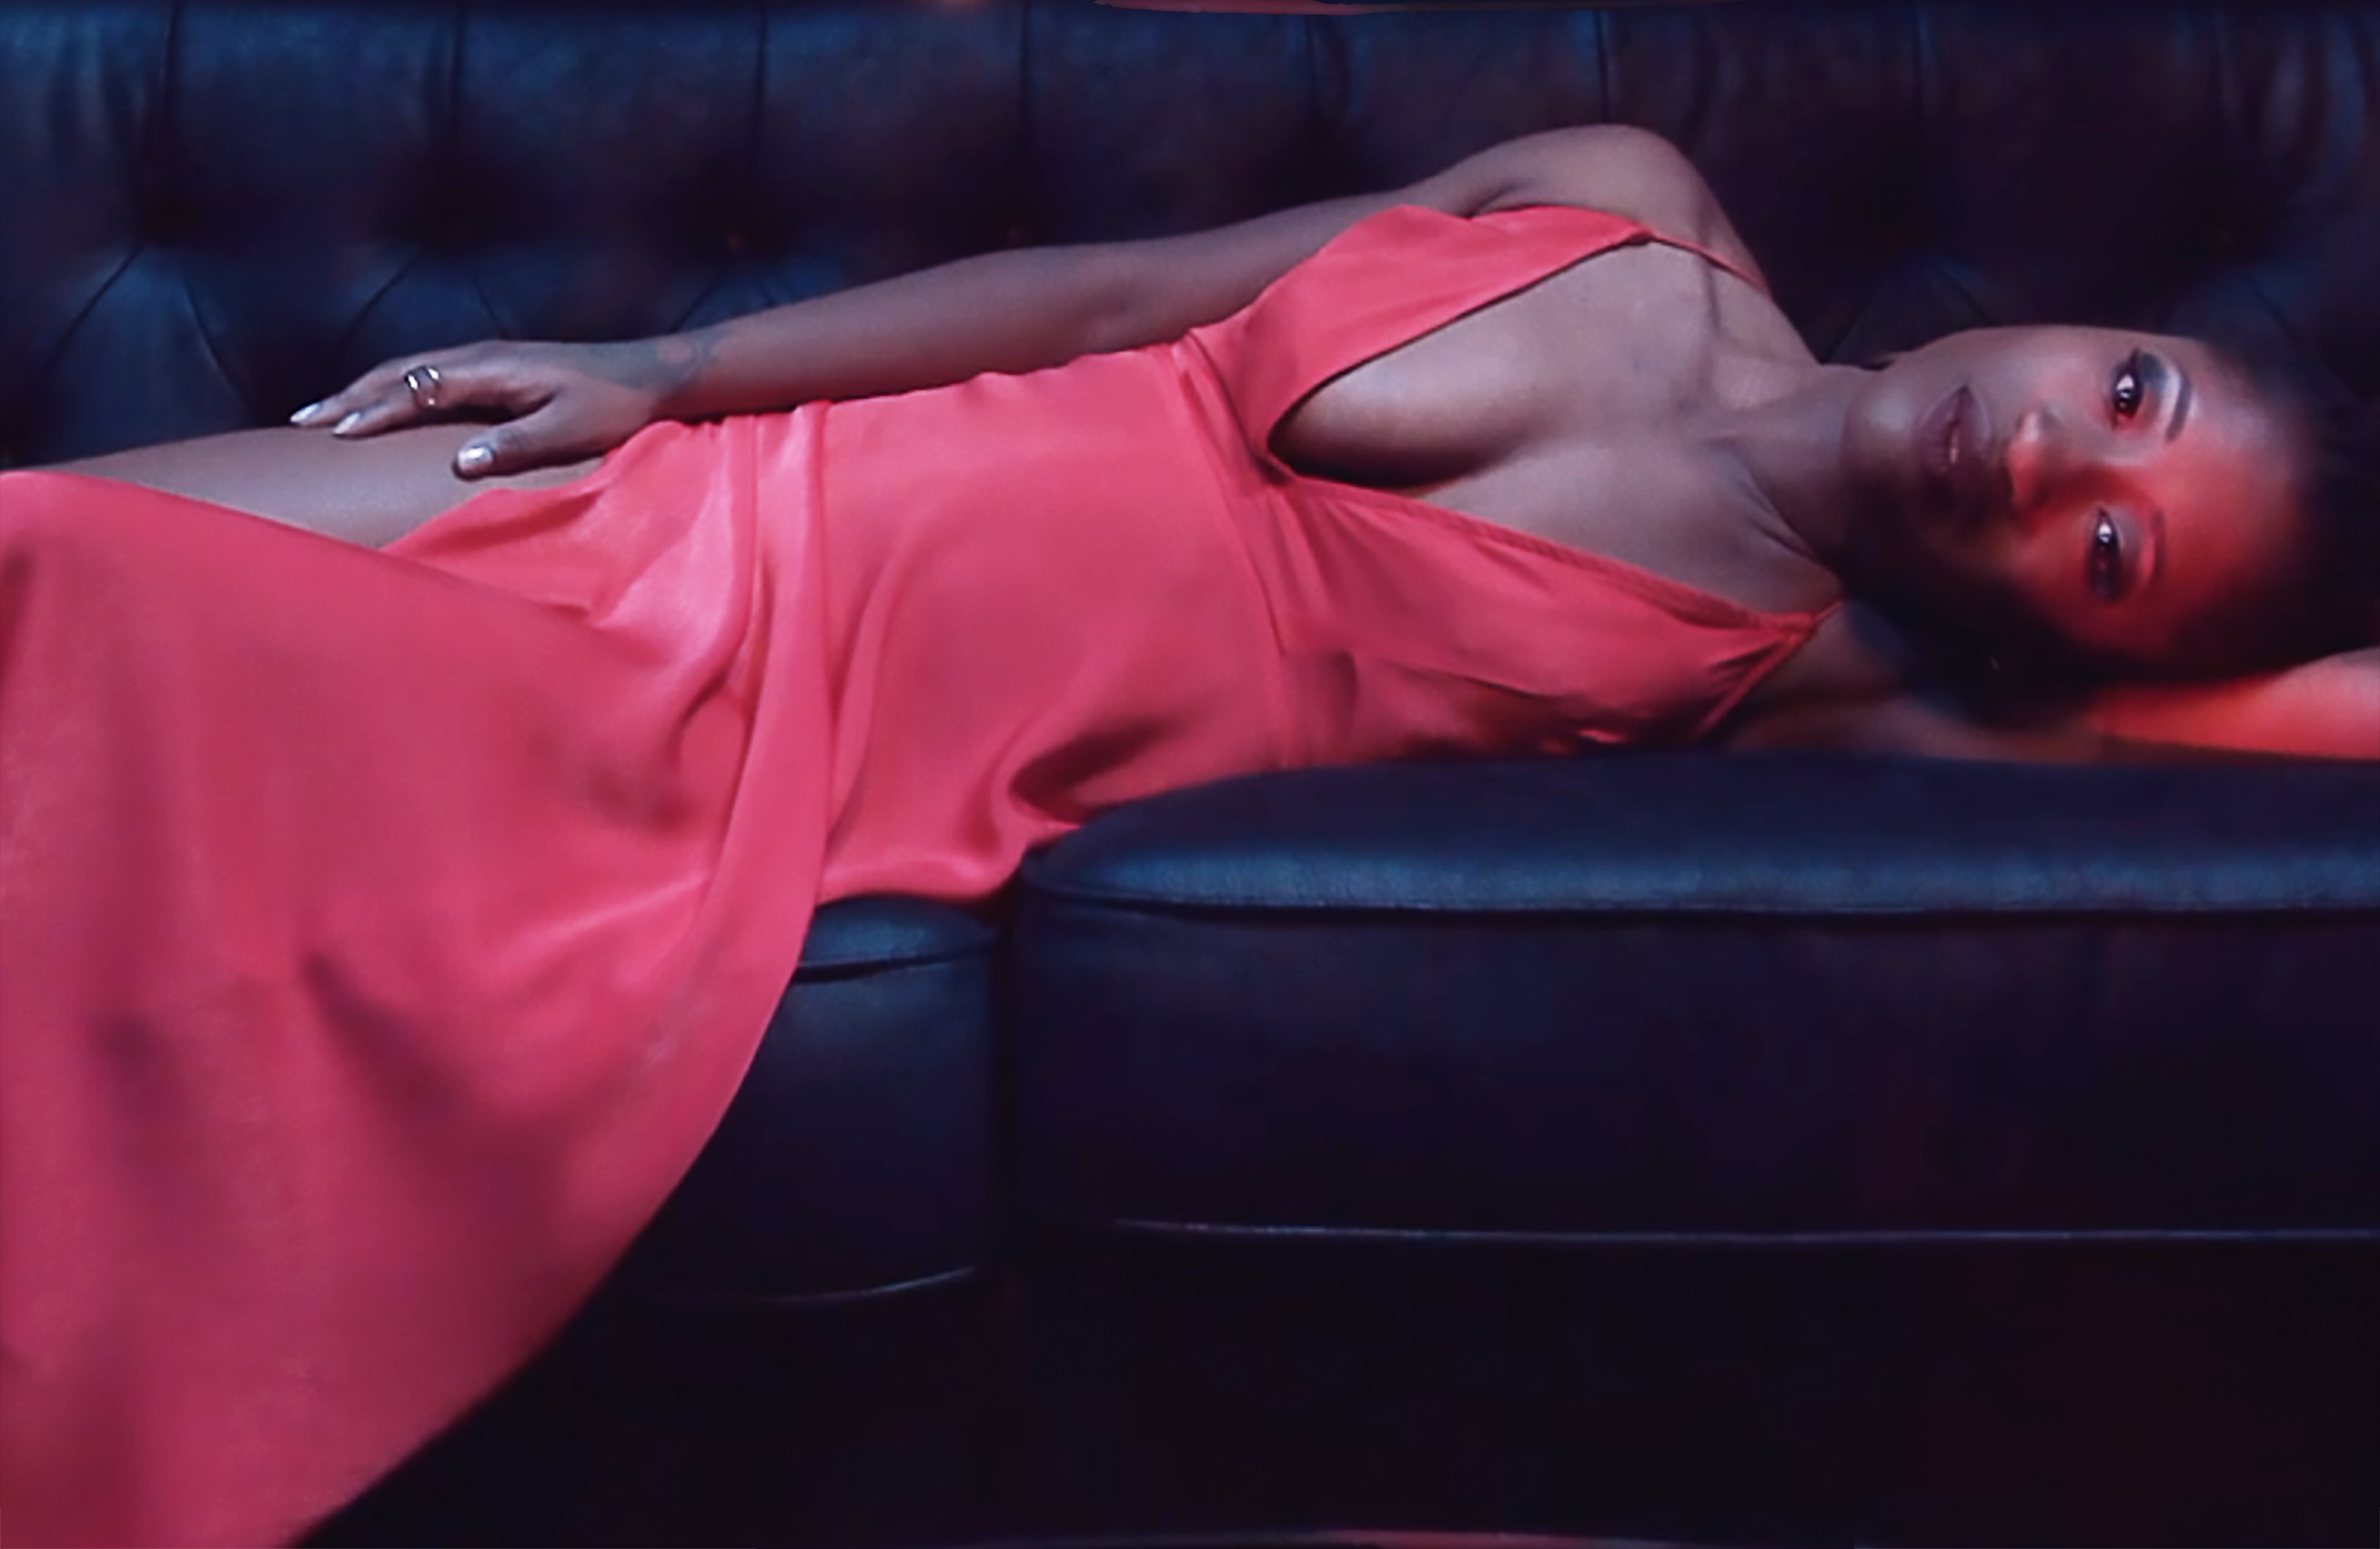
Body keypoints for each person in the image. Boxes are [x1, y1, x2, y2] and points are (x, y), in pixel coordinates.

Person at [2, 125, 2374, 1548]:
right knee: (43, 556)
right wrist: (660, 372)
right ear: (2097, 321)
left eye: (2109, 546)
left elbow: (2260, 736)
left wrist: (2196, 663)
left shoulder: (1805, 669)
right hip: (724, 500)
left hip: (778, 756)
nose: (2047, 457)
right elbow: (1115, 295)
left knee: (115, 661)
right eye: (2128, 393)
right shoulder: (1620, 195)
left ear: (2074, 640)